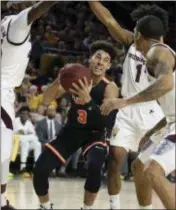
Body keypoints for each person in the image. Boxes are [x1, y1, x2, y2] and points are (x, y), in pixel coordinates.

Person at [89, 2, 168, 209]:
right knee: (115, 158)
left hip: (151, 110)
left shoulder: (163, 55)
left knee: (143, 166)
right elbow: (108, 20)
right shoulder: (131, 41)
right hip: (125, 108)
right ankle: (115, 206)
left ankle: (147, 207)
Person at [33, 40, 119, 210]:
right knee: (40, 169)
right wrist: (60, 80)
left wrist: (88, 101)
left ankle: (86, 208)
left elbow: (106, 121)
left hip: (95, 132)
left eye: (106, 60)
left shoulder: (110, 88)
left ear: (108, 66)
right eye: (98, 57)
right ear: (90, 59)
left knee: (95, 167)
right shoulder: (77, 77)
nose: (100, 62)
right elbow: (46, 99)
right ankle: (44, 206)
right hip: (72, 131)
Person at [1, 1, 57, 209]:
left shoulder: (5, 23)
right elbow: (35, 11)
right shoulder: (16, 22)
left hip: (5, 90)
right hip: (2, 91)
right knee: (4, 151)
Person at [14, 106, 41, 176]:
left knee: (37, 144)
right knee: (25, 141)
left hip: (26, 144)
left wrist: (24, 134)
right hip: (16, 145)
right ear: (20, 114)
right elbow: (12, 135)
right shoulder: (15, 121)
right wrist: (21, 134)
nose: (24, 116)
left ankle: (36, 167)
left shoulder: (28, 123)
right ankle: (22, 167)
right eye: (23, 114)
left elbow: (34, 135)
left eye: (26, 114)